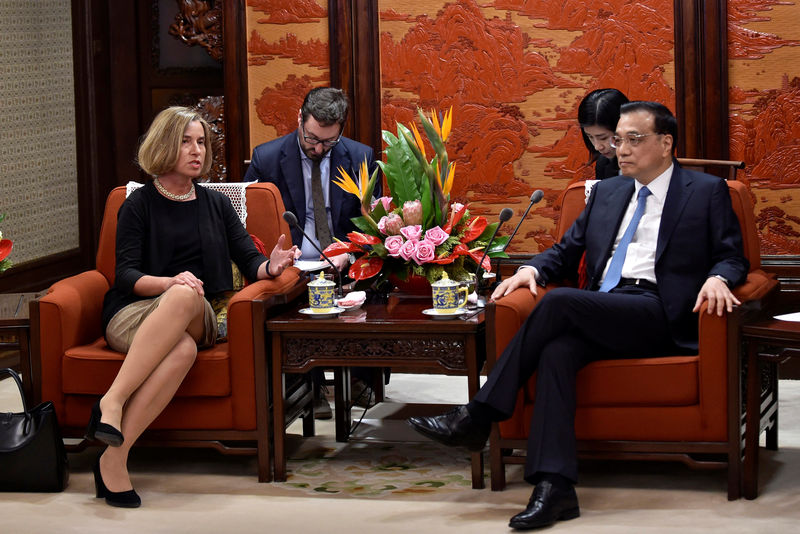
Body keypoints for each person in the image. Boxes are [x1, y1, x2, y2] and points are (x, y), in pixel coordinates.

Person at [408, 101, 748, 530]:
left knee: (558, 303)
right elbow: (566, 252)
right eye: (618, 140)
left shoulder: (704, 191)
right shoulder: (607, 192)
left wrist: (719, 277)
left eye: (634, 140)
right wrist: (531, 269)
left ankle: (478, 415)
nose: (621, 149)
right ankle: (555, 489)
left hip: (659, 313)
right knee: (557, 352)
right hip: (604, 308)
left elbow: (733, 257)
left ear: (666, 143)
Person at [87, 106, 297, 508]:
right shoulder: (137, 204)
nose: (197, 150)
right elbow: (125, 276)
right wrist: (168, 283)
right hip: (133, 313)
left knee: (186, 296)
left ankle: (111, 401)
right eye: (186, 141)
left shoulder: (217, 204)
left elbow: (250, 263)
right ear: (165, 145)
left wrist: (271, 265)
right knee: (181, 347)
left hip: (199, 311)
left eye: (201, 142)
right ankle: (114, 458)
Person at [244, 87, 384, 418]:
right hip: (292, 259)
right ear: (299, 120)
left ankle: (360, 377)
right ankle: (309, 385)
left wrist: (348, 252)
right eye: (311, 139)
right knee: (290, 293)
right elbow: (245, 220)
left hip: (343, 256)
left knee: (375, 279)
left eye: (328, 142)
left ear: (341, 132)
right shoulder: (266, 158)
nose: (319, 148)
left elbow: (375, 223)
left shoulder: (361, 157)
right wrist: (276, 257)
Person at [578, 88, 630, 179]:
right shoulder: (603, 163)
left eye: (603, 138)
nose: (597, 147)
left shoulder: (653, 164)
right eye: (590, 137)